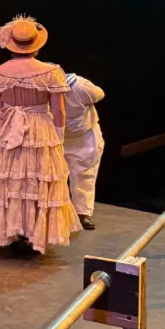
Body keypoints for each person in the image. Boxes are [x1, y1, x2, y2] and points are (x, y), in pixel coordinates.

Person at [0, 15, 82, 252]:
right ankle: (32, 232)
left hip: (9, 128)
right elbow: (58, 109)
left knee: (11, 178)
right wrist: (58, 136)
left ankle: (13, 230)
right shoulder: (50, 72)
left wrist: (0, 132)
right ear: (36, 45)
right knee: (35, 177)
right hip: (40, 128)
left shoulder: (0, 72)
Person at [63, 73, 105, 230]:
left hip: (84, 136)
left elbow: (99, 94)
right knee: (54, 176)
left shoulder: (79, 85)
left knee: (85, 174)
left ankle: (82, 214)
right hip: (57, 135)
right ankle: (56, 214)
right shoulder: (40, 88)